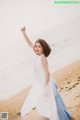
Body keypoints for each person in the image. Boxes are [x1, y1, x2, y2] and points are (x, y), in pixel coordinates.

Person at [20, 26, 74, 120]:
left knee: (56, 104)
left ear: (43, 48)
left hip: (48, 84)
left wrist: (45, 88)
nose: (36, 48)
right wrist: (23, 32)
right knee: (56, 103)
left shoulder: (42, 58)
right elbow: (29, 43)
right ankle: (68, 118)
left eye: (39, 46)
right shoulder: (39, 55)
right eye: (35, 46)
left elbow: (47, 74)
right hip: (45, 83)